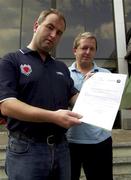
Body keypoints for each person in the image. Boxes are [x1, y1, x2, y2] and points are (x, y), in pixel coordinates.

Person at [0, 9, 82, 180]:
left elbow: (74, 97)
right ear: (36, 26)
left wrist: (97, 89)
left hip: (62, 148)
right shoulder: (11, 60)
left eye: (59, 32)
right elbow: (7, 106)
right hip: (26, 149)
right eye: (49, 27)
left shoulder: (60, 67)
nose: (53, 35)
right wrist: (53, 117)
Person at [66, 32, 113, 180]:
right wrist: (87, 89)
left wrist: (99, 86)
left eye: (92, 49)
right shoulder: (64, 74)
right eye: (84, 48)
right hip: (70, 141)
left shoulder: (106, 75)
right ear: (75, 50)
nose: (88, 52)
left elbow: (110, 106)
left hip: (100, 141)